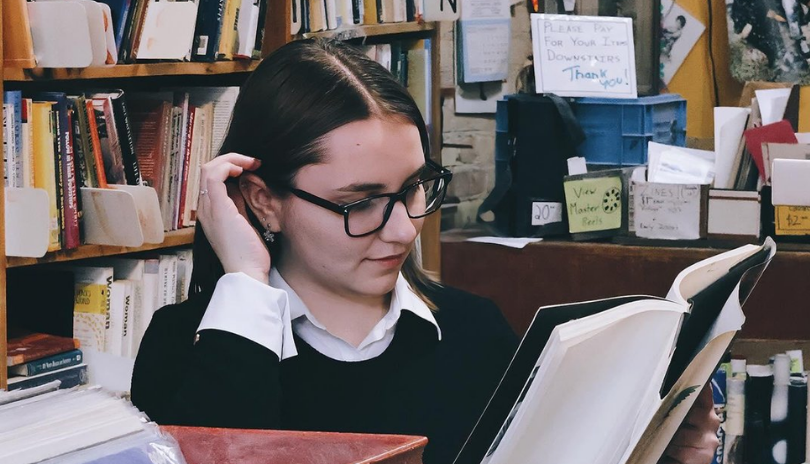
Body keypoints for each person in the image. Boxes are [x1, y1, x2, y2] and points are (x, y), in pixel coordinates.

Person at [130, 38, 720, 464]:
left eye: (414, 188)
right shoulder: (186, 348)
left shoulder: (474, 332)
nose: (404, 230)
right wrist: (246, 280)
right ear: (262, 201)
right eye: (360, 202)